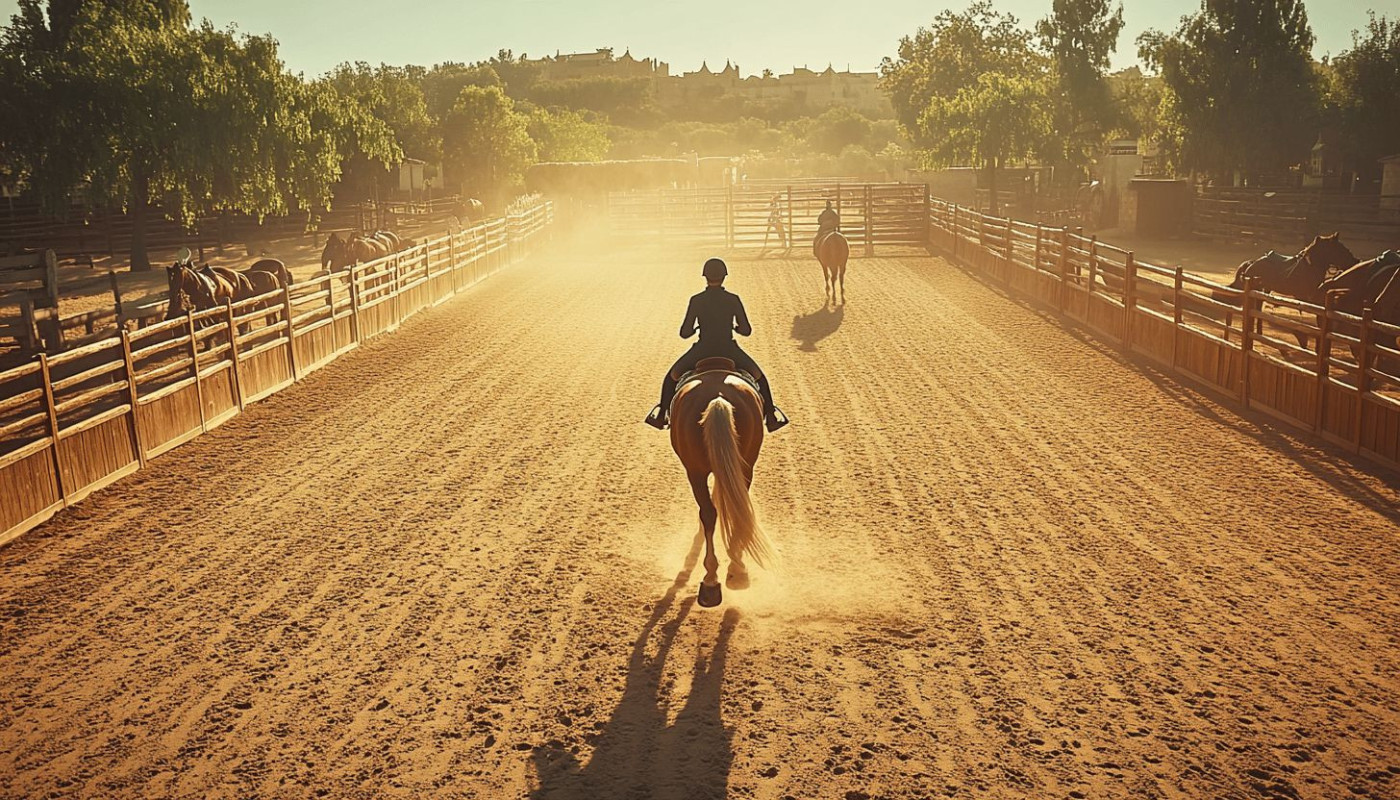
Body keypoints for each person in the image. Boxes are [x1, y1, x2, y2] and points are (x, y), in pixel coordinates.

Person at [645, 258, 789, 432]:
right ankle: (771, 417)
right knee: (760, 378)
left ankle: (661, 415)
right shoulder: (733, 299)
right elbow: (746, 330)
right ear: (724, 277)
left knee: (670, 378)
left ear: (705, 277)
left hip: (702, 350)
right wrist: (735, 327)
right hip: (729, 350)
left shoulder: (696, 300)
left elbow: (684, 333)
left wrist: (695, 329)